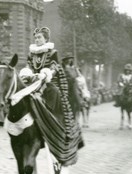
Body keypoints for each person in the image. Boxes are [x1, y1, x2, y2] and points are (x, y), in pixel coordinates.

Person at [19, 27, 84, 166]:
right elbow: (29, 66)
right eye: (35, 38)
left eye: (39, 38)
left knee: (53, 92)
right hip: (33, 82)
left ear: (46, 39)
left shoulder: (52, 52)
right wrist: (29, 74)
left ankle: (49, 120)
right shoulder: (31, 53)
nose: (37, 40)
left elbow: (54, 68)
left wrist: (44, 74)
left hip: (48, 82)